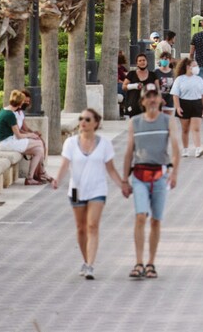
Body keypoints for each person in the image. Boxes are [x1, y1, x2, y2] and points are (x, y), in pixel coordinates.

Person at [51, 108, 124, 280]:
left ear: (96, 123)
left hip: (97, 190)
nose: (83, 122)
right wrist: (57, 180)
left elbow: (111, 169)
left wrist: (122, 185)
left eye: (87, 119)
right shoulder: (70, 143)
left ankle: (90, 265)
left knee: (92, 226)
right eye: (81, 118)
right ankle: (85, 260)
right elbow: (64, 165)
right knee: (80, 228)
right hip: (76, 190)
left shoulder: (104, 144)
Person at [121, 87, 179, 279]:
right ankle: (138, 262)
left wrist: (174, 174)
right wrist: (124, 179)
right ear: (142, 101)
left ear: (161, 100)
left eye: (156, 96)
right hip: (139, 175)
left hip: (160, 176)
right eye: (149, 96)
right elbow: (129, 151)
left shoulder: (167, 121)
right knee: (140, 217)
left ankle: (151, 263)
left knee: (156, 220)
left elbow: (176, 150)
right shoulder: (135, 122)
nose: (152, 100)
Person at [0, 89, 47, 185]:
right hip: (6, 143)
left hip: (8, 141)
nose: (25, 103)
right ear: (19, 103)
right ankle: (39, 174)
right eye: (23, 101)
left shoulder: (6, 111)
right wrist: (31, 135)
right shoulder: (10, 115)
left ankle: (30, 178)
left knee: (38, 150)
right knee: (39, 143)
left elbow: (20, 131)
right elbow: (19, 135)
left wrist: (32, 134)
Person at [171, 58, 203, 158]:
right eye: (194, 66)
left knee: (196, 128)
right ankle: (185, 149)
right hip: (184, 104)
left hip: (197, 104)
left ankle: (198, 149)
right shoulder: (180, 79)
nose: (196, 68)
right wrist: (177, 107)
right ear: (187, 67)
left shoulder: (199, 79)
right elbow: (175, 95)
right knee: (185, 129)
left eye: (196, 66)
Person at [122, 53, 159, 119]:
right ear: (137, 63)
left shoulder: (153, 75)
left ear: (147, 62)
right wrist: (135, 86)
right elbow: (124, 86)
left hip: (148, 105)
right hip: (133, 104)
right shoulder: (131, 74)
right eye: (140, 61)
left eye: (144, 60)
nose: (142, 62)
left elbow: (158, 89)